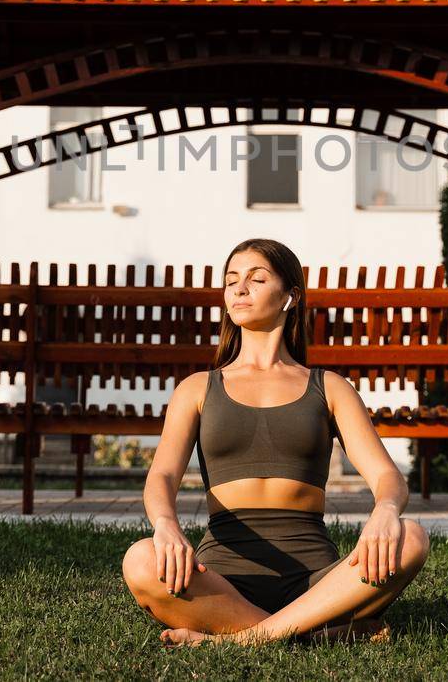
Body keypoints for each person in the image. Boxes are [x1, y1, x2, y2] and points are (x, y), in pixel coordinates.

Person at [120, 237, 430, 646]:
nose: (240, 289)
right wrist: (165, 526)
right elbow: (161, 475)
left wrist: (386, 510)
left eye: (256, 278)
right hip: (222, 582)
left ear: (291, 296)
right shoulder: (197, 388)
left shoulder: (329, 388)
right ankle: (317, 632)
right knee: (140, 559)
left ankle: (244, 639)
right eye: (231, 280)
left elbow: (387, 475)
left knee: (411, 537)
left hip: (317, 581)